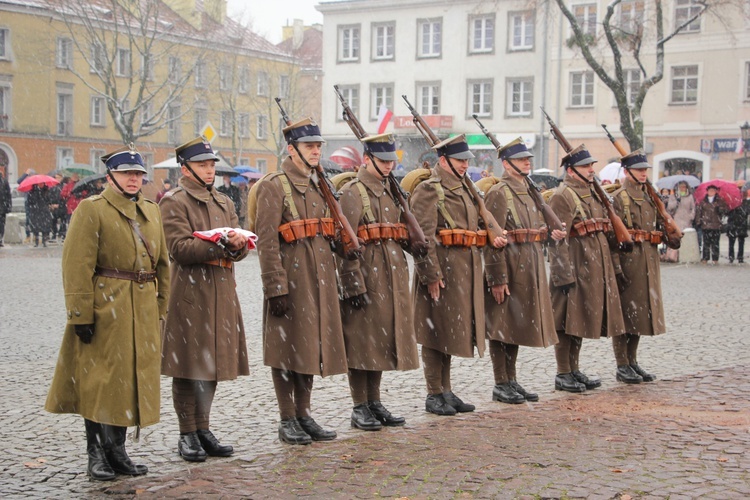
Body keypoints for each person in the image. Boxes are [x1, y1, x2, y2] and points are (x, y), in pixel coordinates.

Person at [45, 145, 170, 481]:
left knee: (129, 381)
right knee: (101, 383)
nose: (134, 179)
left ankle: (118, 451)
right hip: (105, 308)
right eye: (127, 173)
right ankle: (97, 454)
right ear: (111, 176)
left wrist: (160, 305)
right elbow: (76, 266)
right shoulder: (92, 209)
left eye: (138, 174)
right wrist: (80, 314)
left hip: (141, 309)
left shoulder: (151, 210)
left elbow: (163, 265)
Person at [254, 118, 347, 445]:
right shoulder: (274, 186)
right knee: (285, 351)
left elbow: (327, 230)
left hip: (319, 280)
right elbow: (266, 241)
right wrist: (275, 286)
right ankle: (287, 418)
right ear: (292, 149)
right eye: (310, 146)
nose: (316, 150)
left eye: (319, 145)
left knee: (310, 347)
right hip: (291, 282)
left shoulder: (319, 184)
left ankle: (304, 414)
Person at [159, 136, 250, 462]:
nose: (209, 170)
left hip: (222, 293)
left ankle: (204, 428)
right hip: (190, 295)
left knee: (212, 365)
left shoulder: (224, 202)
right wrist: (222, 243)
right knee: (188, 366)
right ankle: (187, 433)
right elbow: (179, 248)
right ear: (185, 168)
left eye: (211, 165)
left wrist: (238, 245)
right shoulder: (174, 202)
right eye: (202, 165)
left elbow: (239, 248)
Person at [410, 135, 499, 415]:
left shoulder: (465, 188)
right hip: (442, 269)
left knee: (449, 330)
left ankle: (446, 390)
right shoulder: (429, 190)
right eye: (460, 160)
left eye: (466, 160)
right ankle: (433, 393)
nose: (465, 165)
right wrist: (431, 274)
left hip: (463, 269)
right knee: (435, 331)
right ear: (443, 160)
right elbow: (423, 237)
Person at [337, 133, 419, 430]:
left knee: (380, 342)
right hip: (367, 274)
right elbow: (344, 242)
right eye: (382, 161)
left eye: (390, 162)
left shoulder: (390, 191)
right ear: (367, 159)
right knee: (361, 342)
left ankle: (374, 401)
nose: (388, 166)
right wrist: (352, 283)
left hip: (391, 275)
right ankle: (360, 405)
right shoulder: (352, 192)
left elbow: (399, 231)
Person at [483, 138, 565, 404]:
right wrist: (497, 277)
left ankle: (511, 379)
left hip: (529, 263)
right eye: (520, 160)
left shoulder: (529, 191)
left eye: (527, 158)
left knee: (515, 325)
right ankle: (500, 382)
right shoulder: (499, 192)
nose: (527, 162)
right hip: (509, 264)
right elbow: (491, 238)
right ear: (506, 165)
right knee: (502, 325)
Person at [547, 144, 627, 393]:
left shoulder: (592, 193)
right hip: (574, 266)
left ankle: (574, 368)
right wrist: (562, 274)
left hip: (592, 268)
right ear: (571, 171)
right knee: (565, 322)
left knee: (578, 320)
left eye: (592, 165)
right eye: (585, 166)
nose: (591, 169)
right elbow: (556, 238)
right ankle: (563, 372)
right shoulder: (564, 195)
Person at [610, 150, 679, 384]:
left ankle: (633, 361)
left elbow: (663, 226)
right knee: (625, 316)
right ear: (627, 172)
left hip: (648, 261)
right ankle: (622, 364)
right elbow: (613, 236)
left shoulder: (650, 197)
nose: (643, 173)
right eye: (639, 170)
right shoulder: (619, 198)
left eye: (645, 170)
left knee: (640, 314)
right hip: (629, 262)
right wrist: (617, 268)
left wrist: (668, 226)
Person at [695, 184, 728, 264]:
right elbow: (699, 212)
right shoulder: (703, 201)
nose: (711, 192)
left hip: (716, 225)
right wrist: (698, 221)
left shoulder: (720, 201)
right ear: (707, 191)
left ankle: (715, 259)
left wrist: (720, 209)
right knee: (706, 243)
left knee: (715, 243)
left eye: (713, 191)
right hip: (706, 225)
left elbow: (725, 211)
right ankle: (705, 258)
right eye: (710, 190)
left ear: (716, 191)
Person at [726, 192, 748, 264]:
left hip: (741, 225)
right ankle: (731, 257)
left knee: (741, 242)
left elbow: (747, 212)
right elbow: (727, 212)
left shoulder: (746, 203)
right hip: (733, 225)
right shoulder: (731, 203)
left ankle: (740, 257)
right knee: (731, 242)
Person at [0, 167, 11, 247]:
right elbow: (8, 196)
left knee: (1, 224)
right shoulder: (5, 181)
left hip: (2, 207)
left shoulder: (4, 182)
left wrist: (8, 206)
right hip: (2, 207)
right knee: (1, 224)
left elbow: (8, 195)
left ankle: (0, 239)